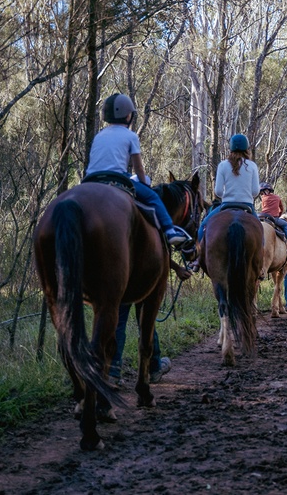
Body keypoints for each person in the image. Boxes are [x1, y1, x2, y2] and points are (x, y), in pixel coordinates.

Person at [85, 93, 190, 247]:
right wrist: (143, 182)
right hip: (115, 179)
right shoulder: (130, 136)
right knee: (153, 197)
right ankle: (169, 231)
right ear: (128, 116)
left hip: (91, 180)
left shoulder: (99, 136)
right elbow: (138, 167)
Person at [109, 262, 193, 386]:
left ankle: (113, 372)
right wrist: (178, 268)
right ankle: (154, 369)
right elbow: (161, 245)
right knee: (146, 323)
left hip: (122, 278)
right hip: (144, 281)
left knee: (118, 324)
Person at [197, 134, 260, 240]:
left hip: (226, 205)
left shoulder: (223, 165)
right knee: (261, 235)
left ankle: (196, 254)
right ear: (246, 148)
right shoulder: (252, 166)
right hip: (247, 206)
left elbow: (218, 192)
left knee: (203, 226)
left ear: (230, 148)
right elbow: (255, 192)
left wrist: (227, 194)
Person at [259, 182, 287, 255]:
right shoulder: (277, 198)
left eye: (262, 192)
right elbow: (281, 208)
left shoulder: (263, 199)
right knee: (285, 225)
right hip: (274, 218)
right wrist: (278, 214)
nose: (262, 194)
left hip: (263, 217)